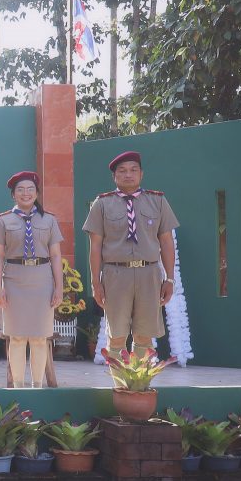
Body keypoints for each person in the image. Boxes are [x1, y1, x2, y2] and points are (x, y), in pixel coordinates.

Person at [82, 151, 179, 361]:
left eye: (133, 170)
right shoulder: (102, 203)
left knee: (144, 336)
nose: (128, 175)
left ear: (141, 174)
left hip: (149, 273)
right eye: (122, 171)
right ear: (114, 176)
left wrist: (170, 279)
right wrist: (96, 283)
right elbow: (95, 246)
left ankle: (140, 379)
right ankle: (118, 379)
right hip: (116, 274)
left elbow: (166, 242)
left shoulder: (157, 201)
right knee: (116, 336)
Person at [0, 172, 64, 388]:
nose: (26, 193)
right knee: (17, 337)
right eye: (20, 190)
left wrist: (59, 287)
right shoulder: (3, 220)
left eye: (30, 189)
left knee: (40, 337)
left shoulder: (49, 220)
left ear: (37, 193)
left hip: (42, 280)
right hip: (14, 280)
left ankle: (37, 386)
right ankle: (19, 387)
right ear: (13, 194)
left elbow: (56, 255)